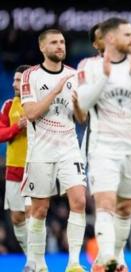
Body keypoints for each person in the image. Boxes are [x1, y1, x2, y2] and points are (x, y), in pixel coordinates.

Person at [77, 18, 131, 271]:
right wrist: (104, 76)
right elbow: (84, 103)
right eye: (128, 34)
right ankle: (108, 259)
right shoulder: (89, 66)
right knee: (105, 204)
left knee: (124, 209)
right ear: (110, 38)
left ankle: (115, 258)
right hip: (103, 147)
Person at [20, 29, 87, 272]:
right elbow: (31, 113)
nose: (60, 46)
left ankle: (74, 263)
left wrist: (79, 104)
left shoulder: (74, 75)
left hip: (69, 148)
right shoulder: (31, 76)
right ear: (42, 48)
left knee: (79, 201)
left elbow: (81, 118)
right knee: (39, 209)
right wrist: (55, 91)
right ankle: (38, 263)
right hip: (41, 151)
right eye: (54, 43)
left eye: (62, 42)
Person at [0, 64, 31, 259]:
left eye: (19, 80)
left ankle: (37, 260)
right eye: (13, 80)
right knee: (17, 217)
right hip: (13, 168)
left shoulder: (40, 105)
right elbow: (0, 133)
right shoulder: (9, 105)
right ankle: (32, 256)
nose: (14, 84)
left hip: (36, 166)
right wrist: (16, 128)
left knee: (33, 214)